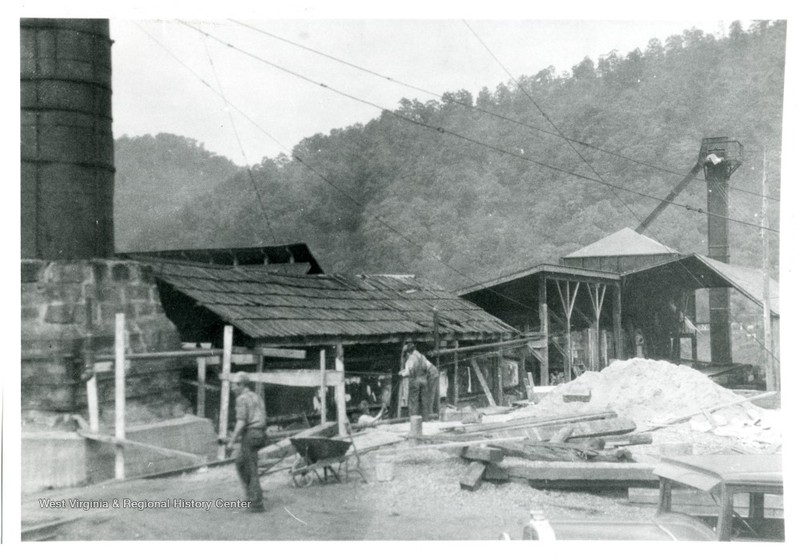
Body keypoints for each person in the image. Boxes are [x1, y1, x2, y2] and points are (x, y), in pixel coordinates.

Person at [226, 371, 268, 513]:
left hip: (251, 434)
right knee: (240, 464)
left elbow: (241, 422)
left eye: (234, 385)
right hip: (260, 434)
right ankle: (252, 495)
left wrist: (231, 441)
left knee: (250, 468)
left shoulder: (242, 399)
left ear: (241, 385)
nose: (232, 388)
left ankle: (256, 503)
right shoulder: (256, 396)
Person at [399, 342, 433, 420]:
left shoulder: (411, 358)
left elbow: (408, 372)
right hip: (424, 380)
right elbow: (428, 367)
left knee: (413, 401)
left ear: (408, 351)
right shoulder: (422, 356)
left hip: (415, 381)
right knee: (424, 400)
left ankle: (413, 419)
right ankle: (425, 419)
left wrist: (402, 374)